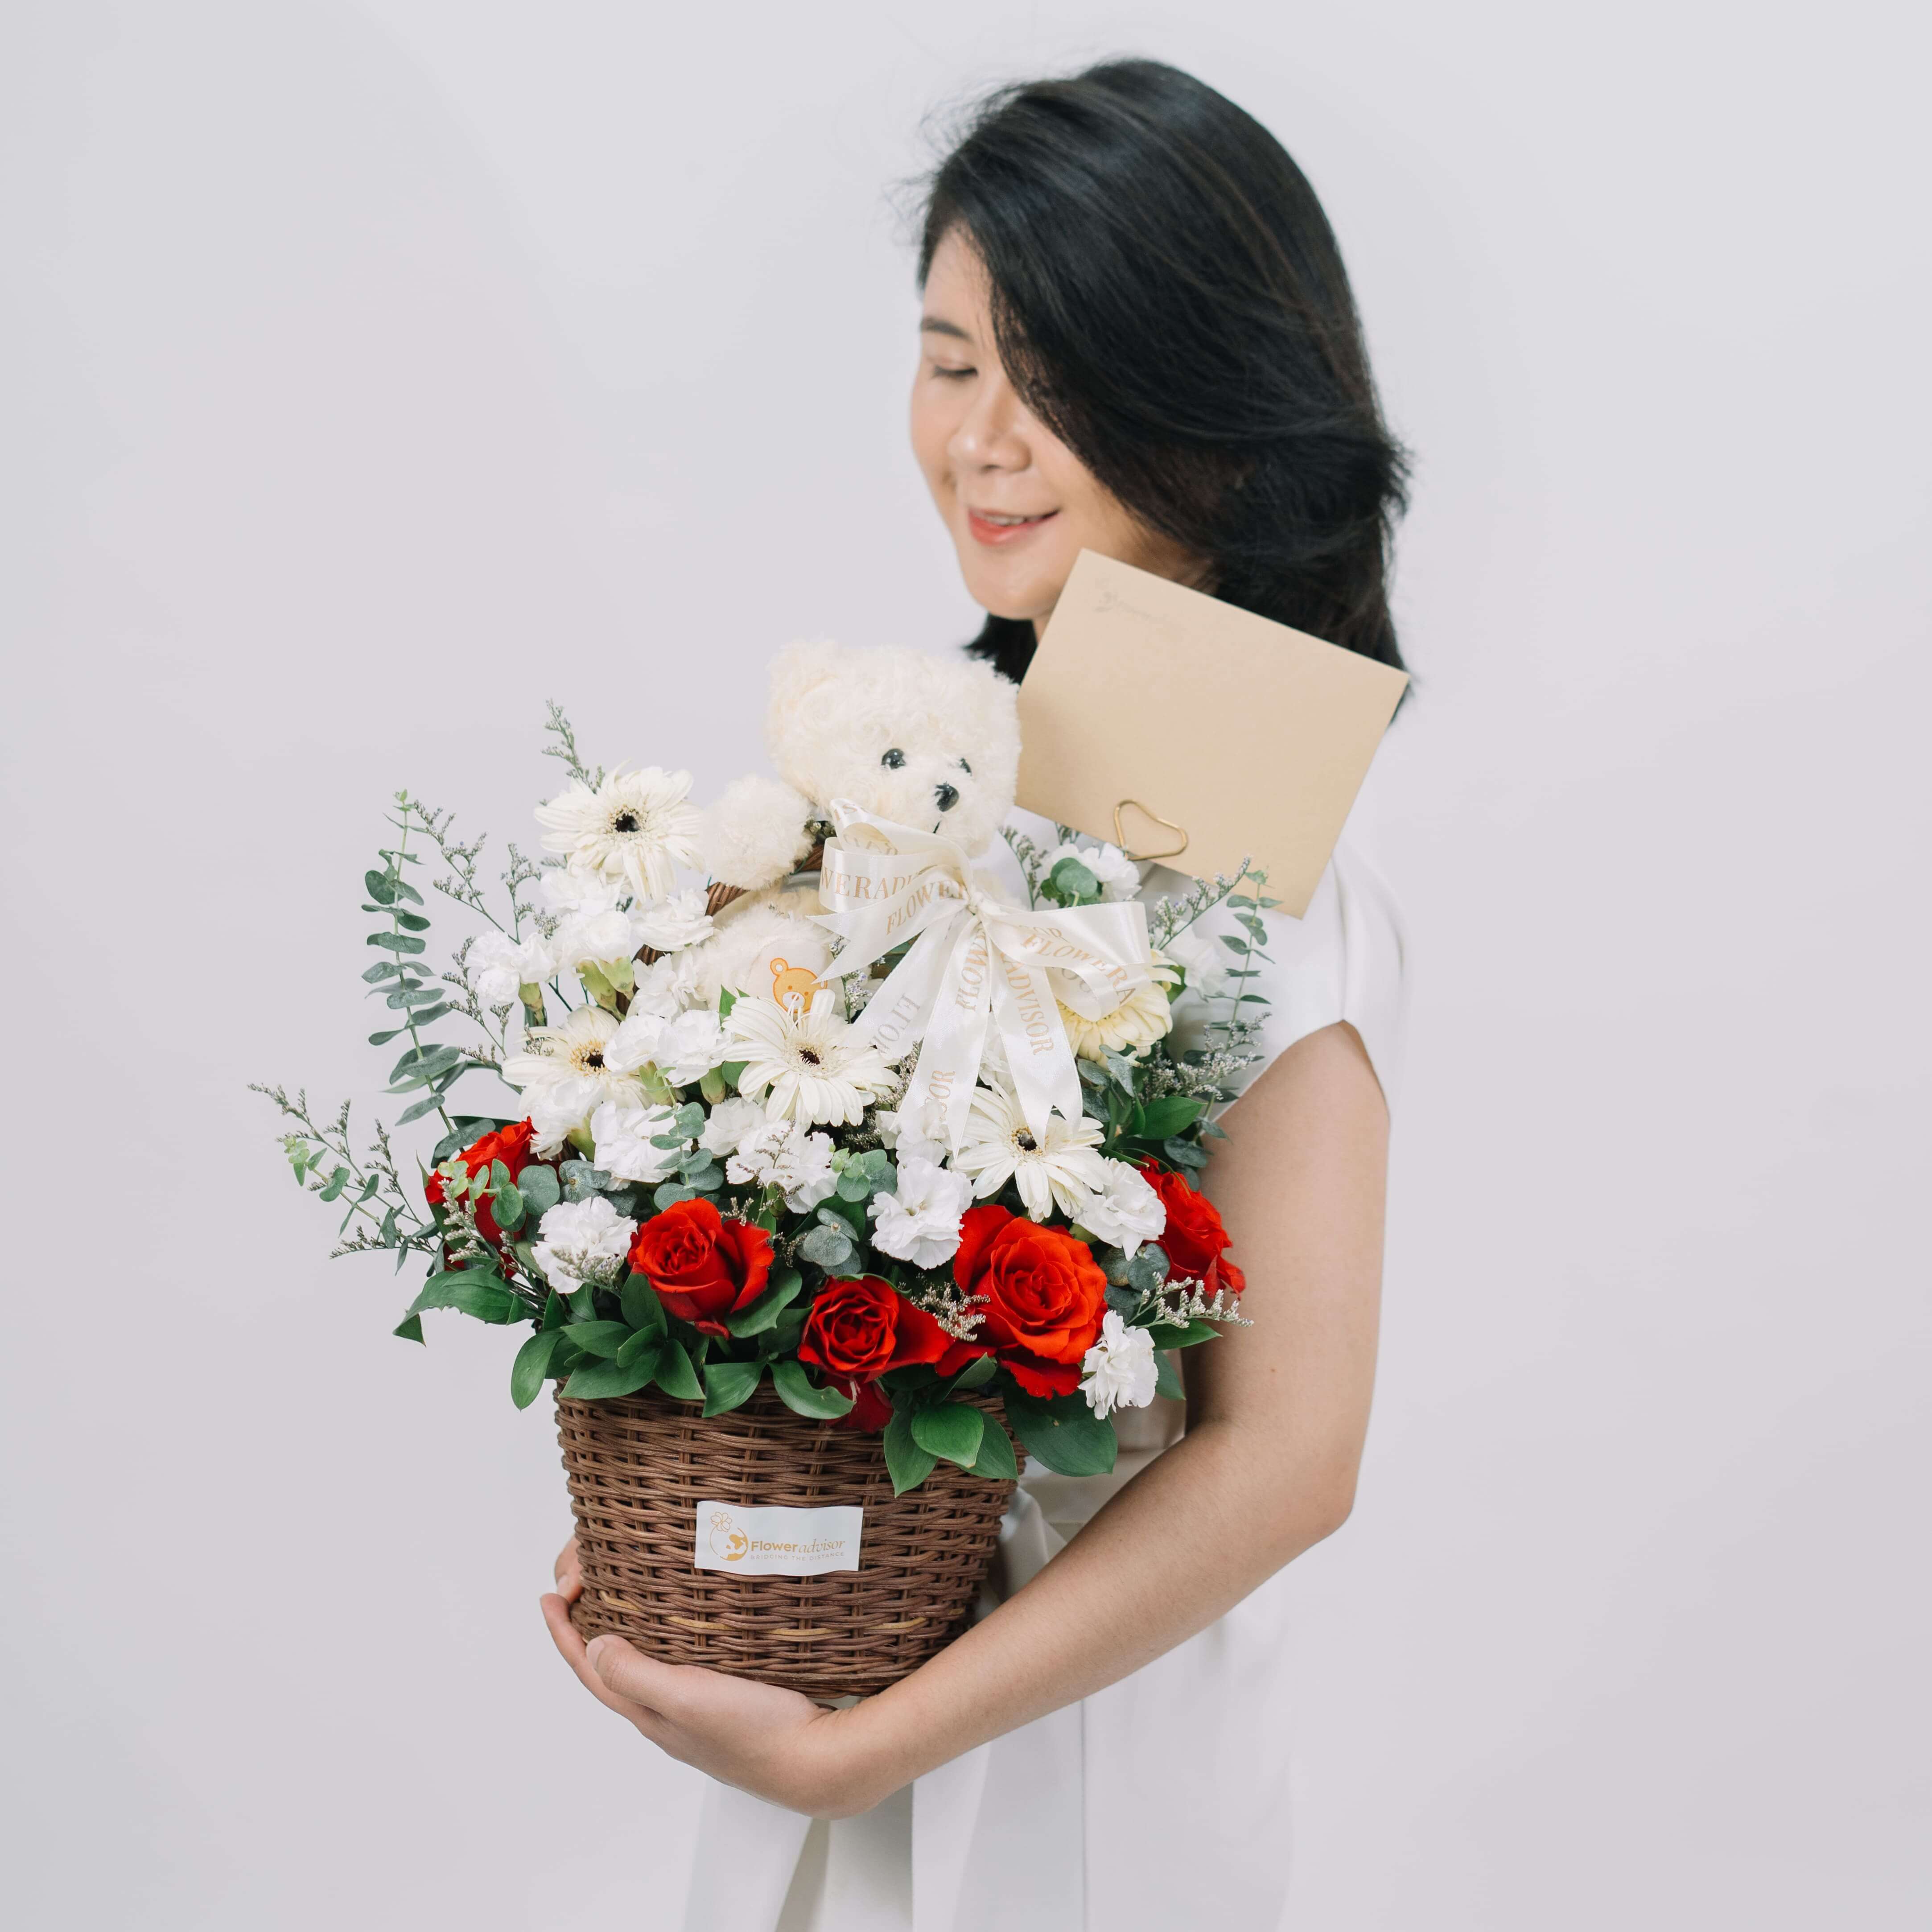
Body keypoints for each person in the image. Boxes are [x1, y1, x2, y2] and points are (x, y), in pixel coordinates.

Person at [541, 58, 1409, 1931]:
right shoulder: (940, 799)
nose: (984, 439)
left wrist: (872, 1747)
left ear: (1225, 415)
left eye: (1059, 379)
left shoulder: (1275, 895)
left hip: (1066, 1786)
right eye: (950, 365)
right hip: (825, 1696)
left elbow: (1287, 1455)